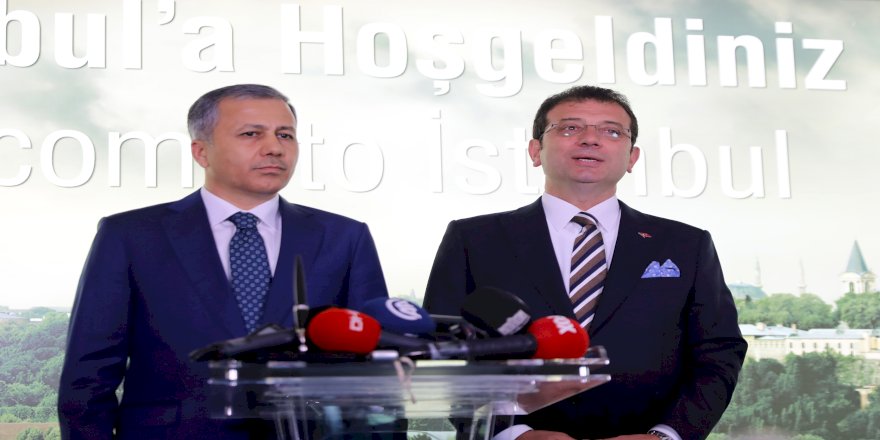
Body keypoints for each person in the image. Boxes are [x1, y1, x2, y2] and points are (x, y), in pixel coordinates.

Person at [57, 84, 390, 439]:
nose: (275, 147)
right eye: (251, 134)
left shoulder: (344, 237)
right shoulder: (130, 235)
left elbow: (378, 373)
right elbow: (89, 377)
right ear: (201, 152)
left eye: (285, 135)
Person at [423, 85, 747, 440]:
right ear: (535, 151)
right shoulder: (473, 239)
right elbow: (445, 351)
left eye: (612, 131)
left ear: (632, 158)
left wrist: (667, 435)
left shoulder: (686, 244)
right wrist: (512, 435)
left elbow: (718, 352)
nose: (590, 139)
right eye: (570, 128)